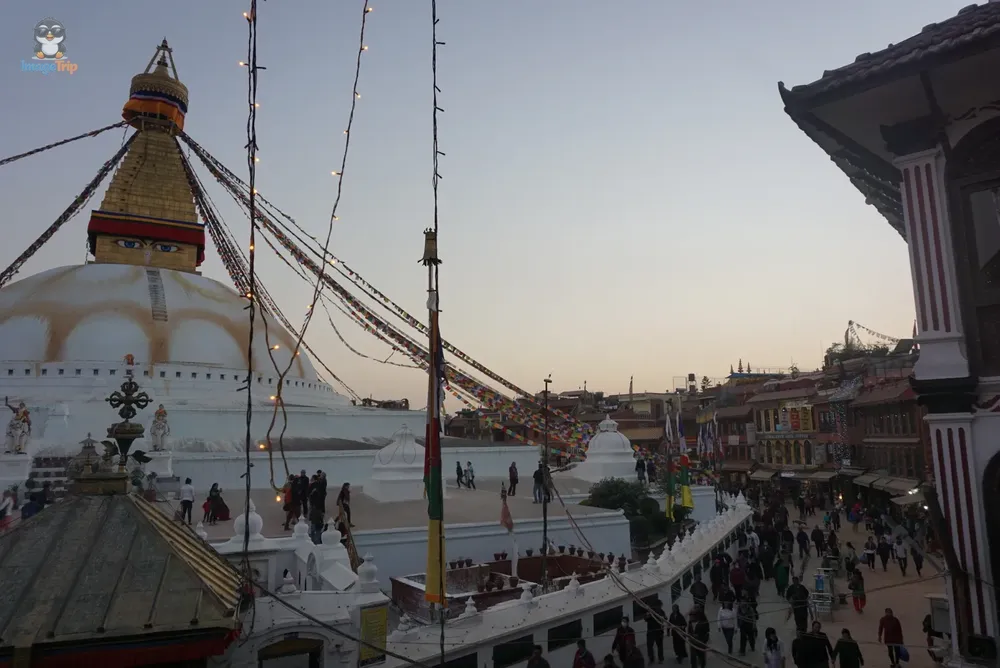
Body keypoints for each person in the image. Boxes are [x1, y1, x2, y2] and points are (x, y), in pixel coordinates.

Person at [646, 599, 665, 664]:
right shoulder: (650, 611)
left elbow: (665, 618)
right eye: (660, 605)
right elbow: (645, 618)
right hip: (651, 632)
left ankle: (660, 659)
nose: (660, 607)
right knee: (649, 646)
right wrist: (648, 615)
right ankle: (651, 659)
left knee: (660, 646)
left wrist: (663, 618)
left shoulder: (661, 611)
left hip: (659, 632)